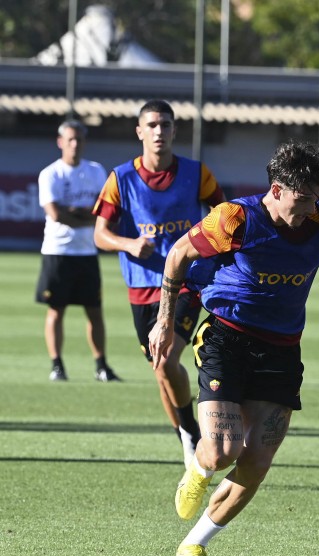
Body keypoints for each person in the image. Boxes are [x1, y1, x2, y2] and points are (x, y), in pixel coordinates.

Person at [148, 140, 319, 556]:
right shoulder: (236, 218)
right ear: (276, 189)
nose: (311, 207)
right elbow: (178, 254)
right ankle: (199, 469)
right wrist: (165, 321)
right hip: (227, 337)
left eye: (317, 197)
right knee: (221, 452)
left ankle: (193, 545)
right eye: (303, 198)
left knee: (256, 461)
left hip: (282, 349)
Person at [93, 99, 226, 468]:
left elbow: (224, 216)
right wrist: (128, 243)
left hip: (185, 280)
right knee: (160, 368)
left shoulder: (197, 173)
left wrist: (210, 248)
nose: (158, 132)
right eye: (151, 125)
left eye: (165, 125)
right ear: (139, 131)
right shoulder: (120, 178)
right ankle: (185, 438)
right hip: (141, 287)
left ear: (173, 131)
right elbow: (100, 235)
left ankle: (193, 435)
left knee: (167, 360)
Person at [36, 119, 119, 383]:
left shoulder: (96, 171)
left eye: (79, 139)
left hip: (86, 252)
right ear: (60, 142)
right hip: (57, 251)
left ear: (85, 142)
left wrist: (81, 214)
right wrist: (86, 215)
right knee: (56, 310)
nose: (75, 144)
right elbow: (56, 214)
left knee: (94, 310)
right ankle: (57, 365)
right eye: (70, 139)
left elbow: (104, 212)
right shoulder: (50, 174)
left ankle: (101, 366)